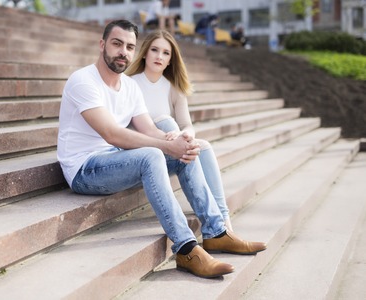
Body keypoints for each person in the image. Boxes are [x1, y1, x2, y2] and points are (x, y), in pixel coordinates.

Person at [57, 20, 266, 279]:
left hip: (114, 161)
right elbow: (112, 134)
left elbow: (149, 130)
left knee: (183, 154)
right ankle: (187, 249)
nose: (123, 51)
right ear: (102, 45)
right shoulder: (83, 80)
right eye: (117, 43)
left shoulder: (129, 87)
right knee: (154, 154)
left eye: (129, 46)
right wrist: (166, 146)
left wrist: (178, 143)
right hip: (84, 169)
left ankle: (216, 232)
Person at [126, 29, 233, 231]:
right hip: (141, 150)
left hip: (169, 148)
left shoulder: (173, 87)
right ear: (145, 53)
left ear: (170, 60)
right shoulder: (130, 83)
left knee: (204, 146)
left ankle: (224, 220)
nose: (159, 56)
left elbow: (187, 126)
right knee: (166, 122)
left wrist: (185, 135)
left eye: (166, 53)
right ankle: (221, 226)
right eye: (154, 50)